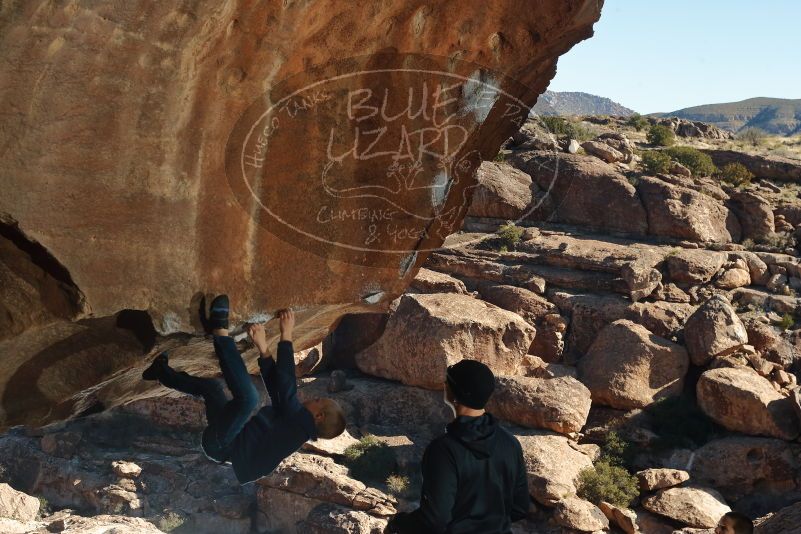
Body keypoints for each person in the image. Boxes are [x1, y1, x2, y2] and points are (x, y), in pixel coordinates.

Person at [142, 295, 346, 484]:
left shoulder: (299, 427)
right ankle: (160, 372)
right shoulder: (294, 424)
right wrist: (263, 348)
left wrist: (287, 334)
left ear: (318, 416)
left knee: (249, 398)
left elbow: (286, 384)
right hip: (226, 440)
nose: (314, 398)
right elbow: (277, 390)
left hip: (222, 445)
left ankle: (220, 330)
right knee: (211, 389)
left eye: (319, 400)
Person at [386, 359, 531, 533]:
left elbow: (435, 519)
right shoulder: (510, 443)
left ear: (453, 394)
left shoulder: (443, 450)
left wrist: (399, 523)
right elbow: (520, 507)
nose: (444, 384)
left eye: (447, 381)